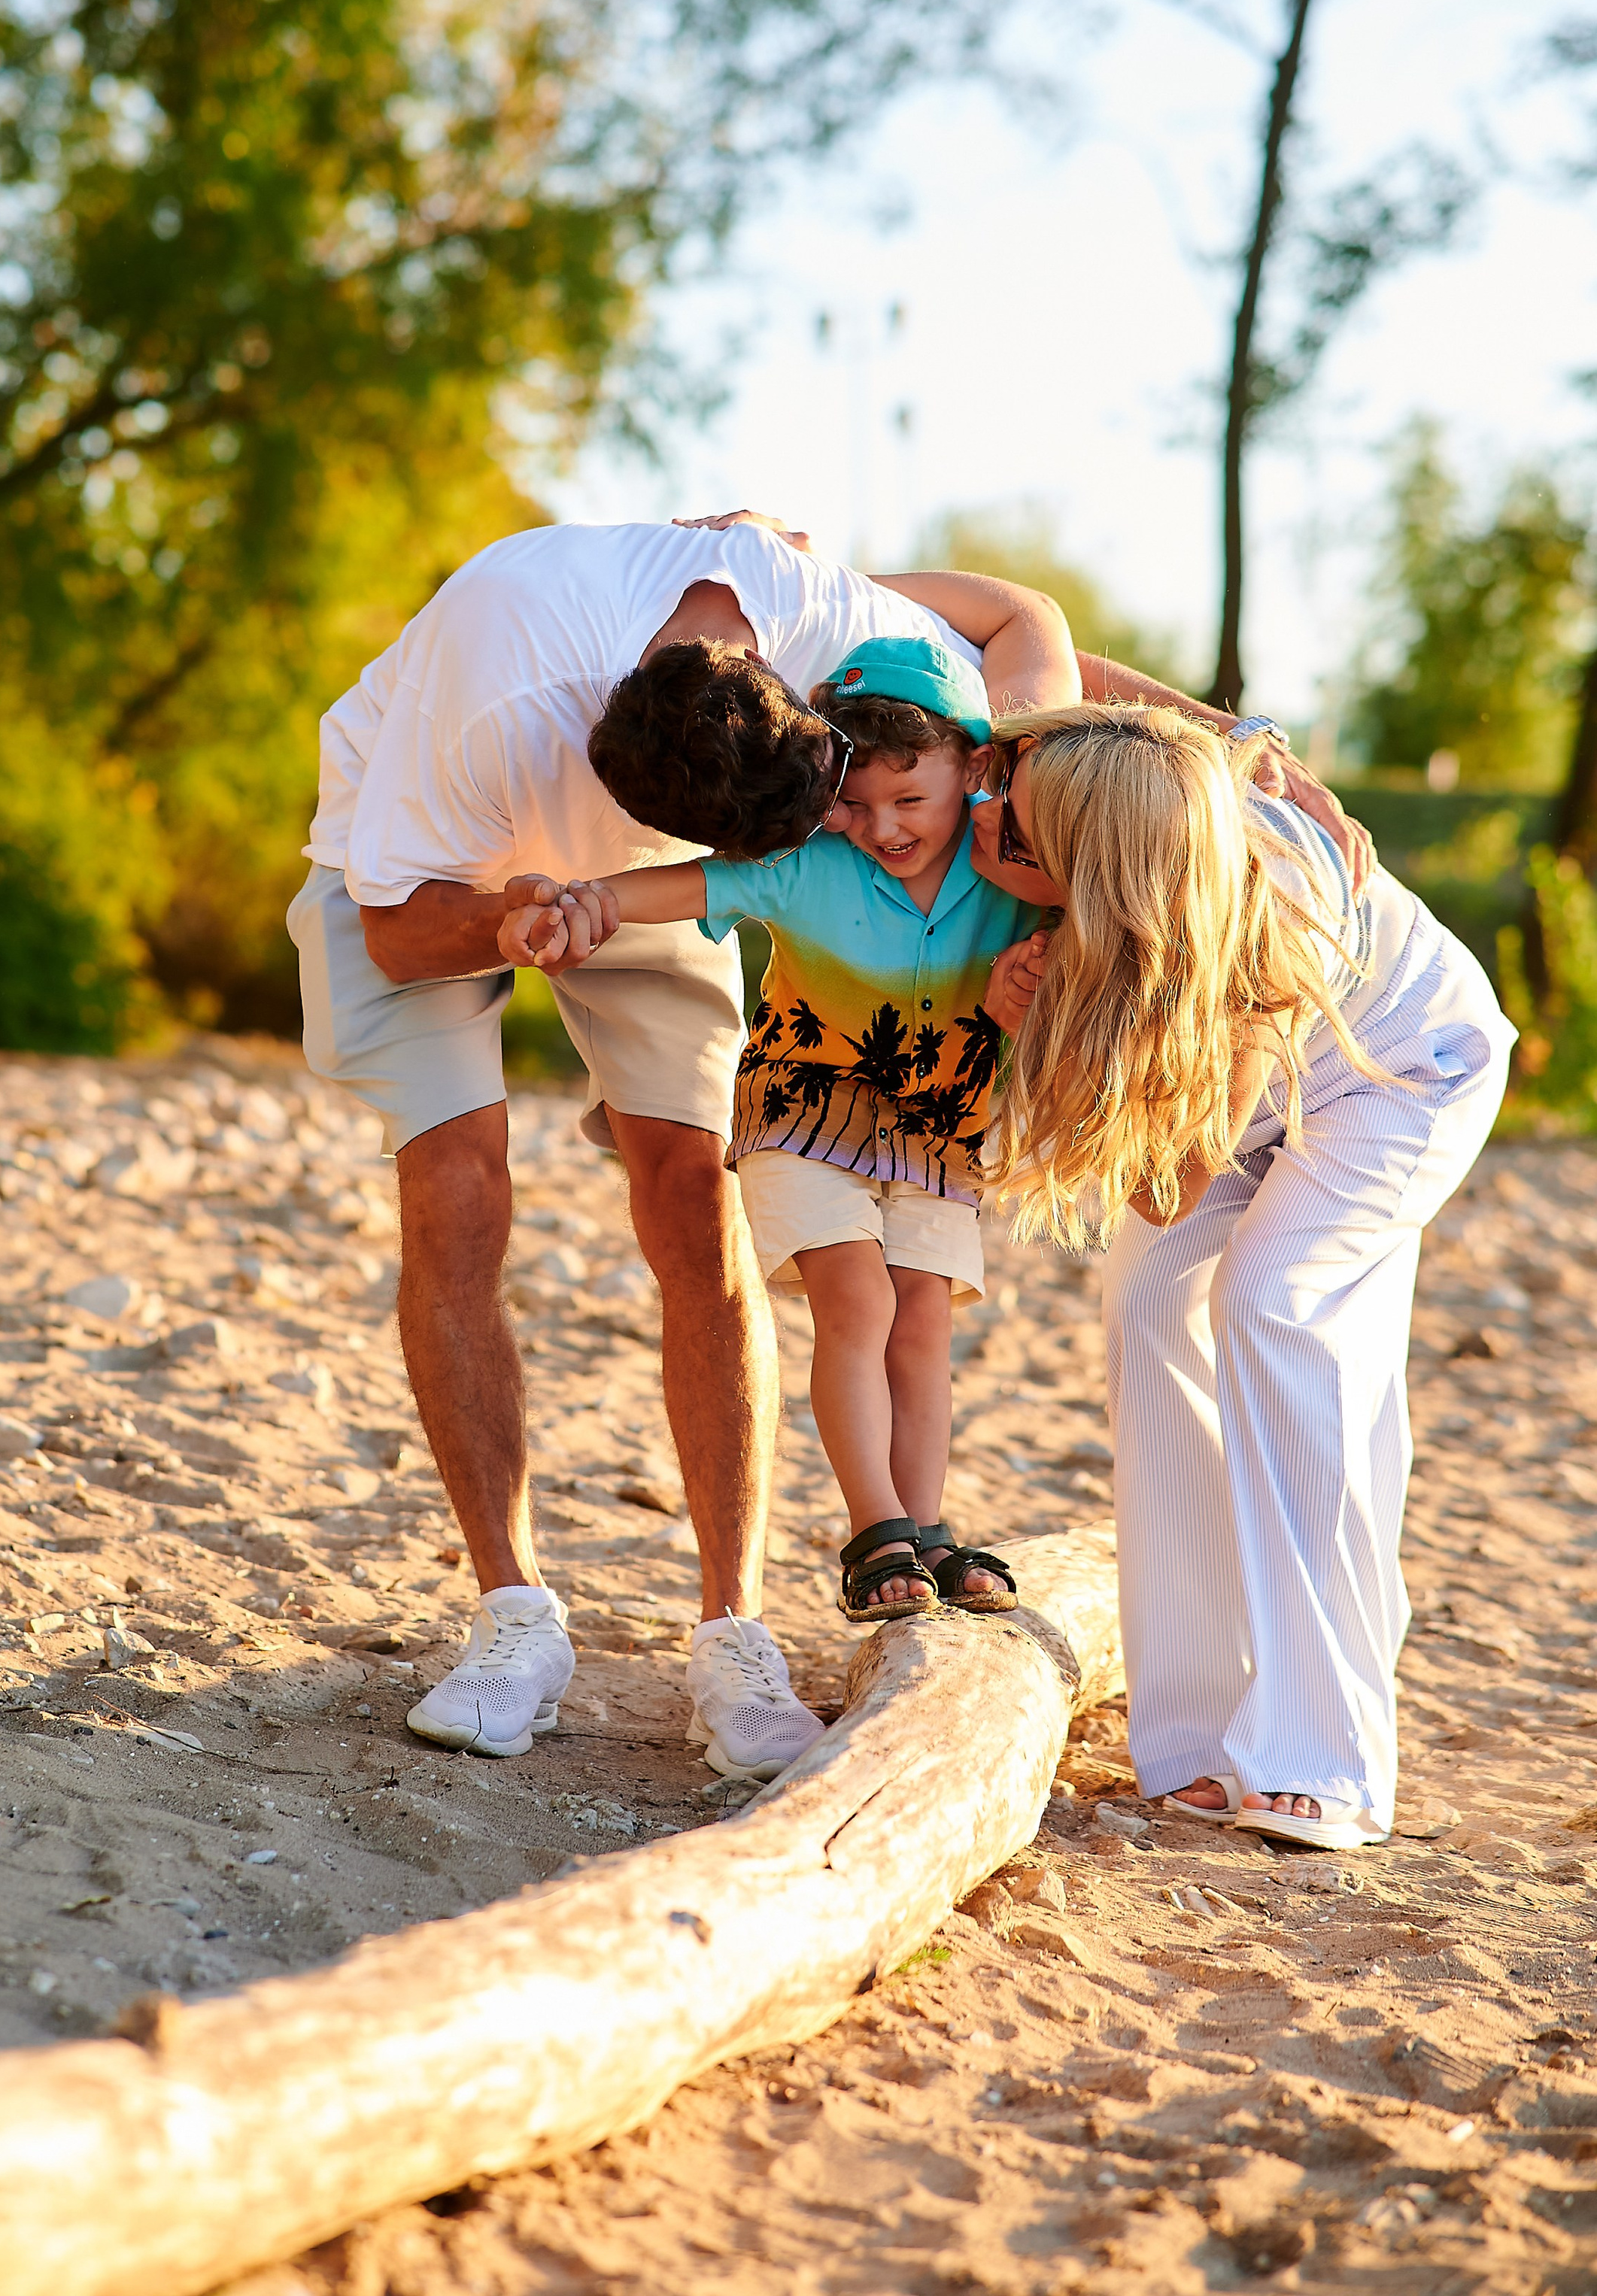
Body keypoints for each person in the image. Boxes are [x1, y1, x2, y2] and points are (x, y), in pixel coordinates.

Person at [289, 514, 1080, 1774]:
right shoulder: (498, 696)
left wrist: (1231, 743)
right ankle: (513, 1616)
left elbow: (1018, 646)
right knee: (459, 1187)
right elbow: (394, 933)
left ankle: (733, 1630)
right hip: (427, 878)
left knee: (696, 1191)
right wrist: (517, 916)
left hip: (647, 881)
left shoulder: (815, 609)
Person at [967, 702, 1515, 1853]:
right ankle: (1201, 1733)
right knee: (1151, 1297)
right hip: (1261, 1087)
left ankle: (1327, 1757)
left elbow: (1166, 1183)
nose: (989, 819)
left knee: (1268, 1300)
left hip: (1405, 1070)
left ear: (1104, 863)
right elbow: (1056, 657)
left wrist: (1049, 1020)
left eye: (1022, 830)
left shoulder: (1271, 922)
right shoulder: (1149, 804)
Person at [502, 634, 1053, 1627]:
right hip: (807, 1112)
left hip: (943, 1128)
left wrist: (1042, 975)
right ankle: (875, 1526)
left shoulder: (1009, 874)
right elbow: (695, 885)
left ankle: (924, 1527)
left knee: (923, 1319)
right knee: (856, 1300)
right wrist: (590, 902)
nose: (880, 827)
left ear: (974, 767)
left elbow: (1090, 940)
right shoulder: (809, 866)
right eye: (857, 799)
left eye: (909, 801)